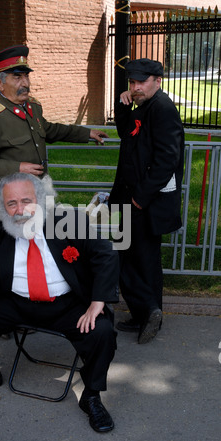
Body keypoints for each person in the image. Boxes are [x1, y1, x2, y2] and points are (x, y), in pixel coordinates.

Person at [0, 172, 119, 433]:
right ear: (1, 207)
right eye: (11, 203)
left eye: (26, 201)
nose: (20, 210)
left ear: (41, 199)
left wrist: (98, 301)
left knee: (103, 330)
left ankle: (92, 395)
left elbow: (105, 255)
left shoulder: (69, 222)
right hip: (17, 303)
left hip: (68, 305)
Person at [0, 45, 108, 203]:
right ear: (0, 83)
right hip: (9, 203)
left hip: (36, 193)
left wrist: (86, 133)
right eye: (17, 77)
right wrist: (18, 169)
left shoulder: (32, 106)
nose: (26, 83)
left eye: (26, 76)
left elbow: (48, 130)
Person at [108, 58, 184, 344]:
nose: (136, 87)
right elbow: (127, 135)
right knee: (136, 257)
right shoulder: (144, 106)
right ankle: (146, 314)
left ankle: (148, 310)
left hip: (141, 200)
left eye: (141, 82)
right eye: (132, 83)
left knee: (132, 257)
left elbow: (168, 159)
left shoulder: (162, 109)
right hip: (129, 197)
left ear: (157, 81)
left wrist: (140, 198)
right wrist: (123, 105)